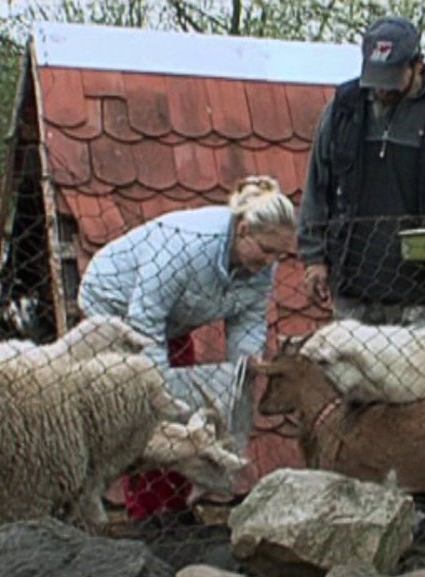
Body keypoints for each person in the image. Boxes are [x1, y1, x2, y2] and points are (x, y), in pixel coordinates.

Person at [78, 175, 296, 522]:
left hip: (174, 321)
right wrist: (155, 384)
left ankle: (175, 509)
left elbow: (248, 318)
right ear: (242, 230)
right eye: (267, 250)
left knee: (188, 411)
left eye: (279, 254)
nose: (271, 261)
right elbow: (144, 316)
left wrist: (243, 366)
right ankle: (147, 514)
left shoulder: (260, 267)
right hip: (119, 311)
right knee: (144, 416)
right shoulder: (187, 244)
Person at [297, 15, 425, 326]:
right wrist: (314, 258)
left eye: (392, 82)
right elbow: (317, 188)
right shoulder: (343, 109)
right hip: (353, 292)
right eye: (376, 81)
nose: (382, 91)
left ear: (418, 64)